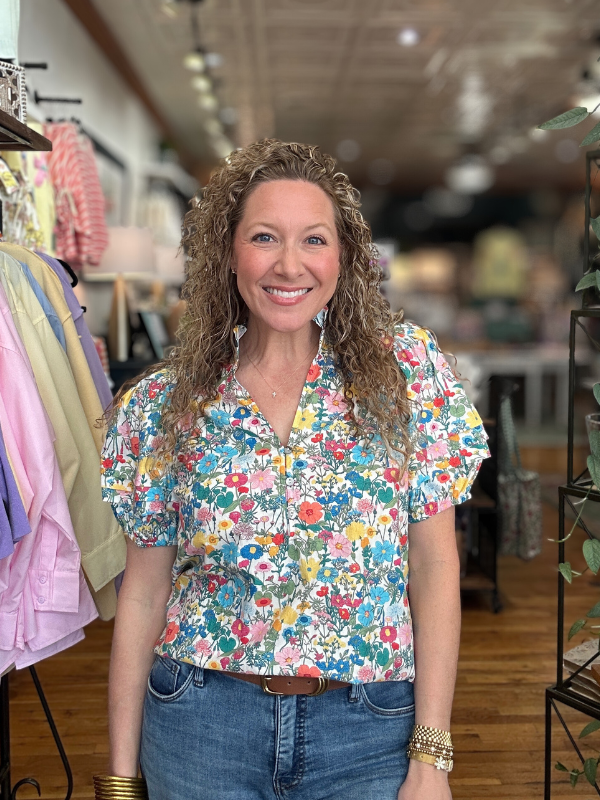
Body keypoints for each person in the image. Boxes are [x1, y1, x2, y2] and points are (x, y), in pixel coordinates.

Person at [97, 139, 489, 800]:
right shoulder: (166, 404)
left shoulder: (405, 376)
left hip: (368, 729)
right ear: (228, 252)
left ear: (344, 258)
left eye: (313, 240)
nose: (288, 264)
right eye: (263, 237)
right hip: (200, 725)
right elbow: (141, 593)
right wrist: (118, 778)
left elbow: (435, 565)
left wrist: (433, 753)